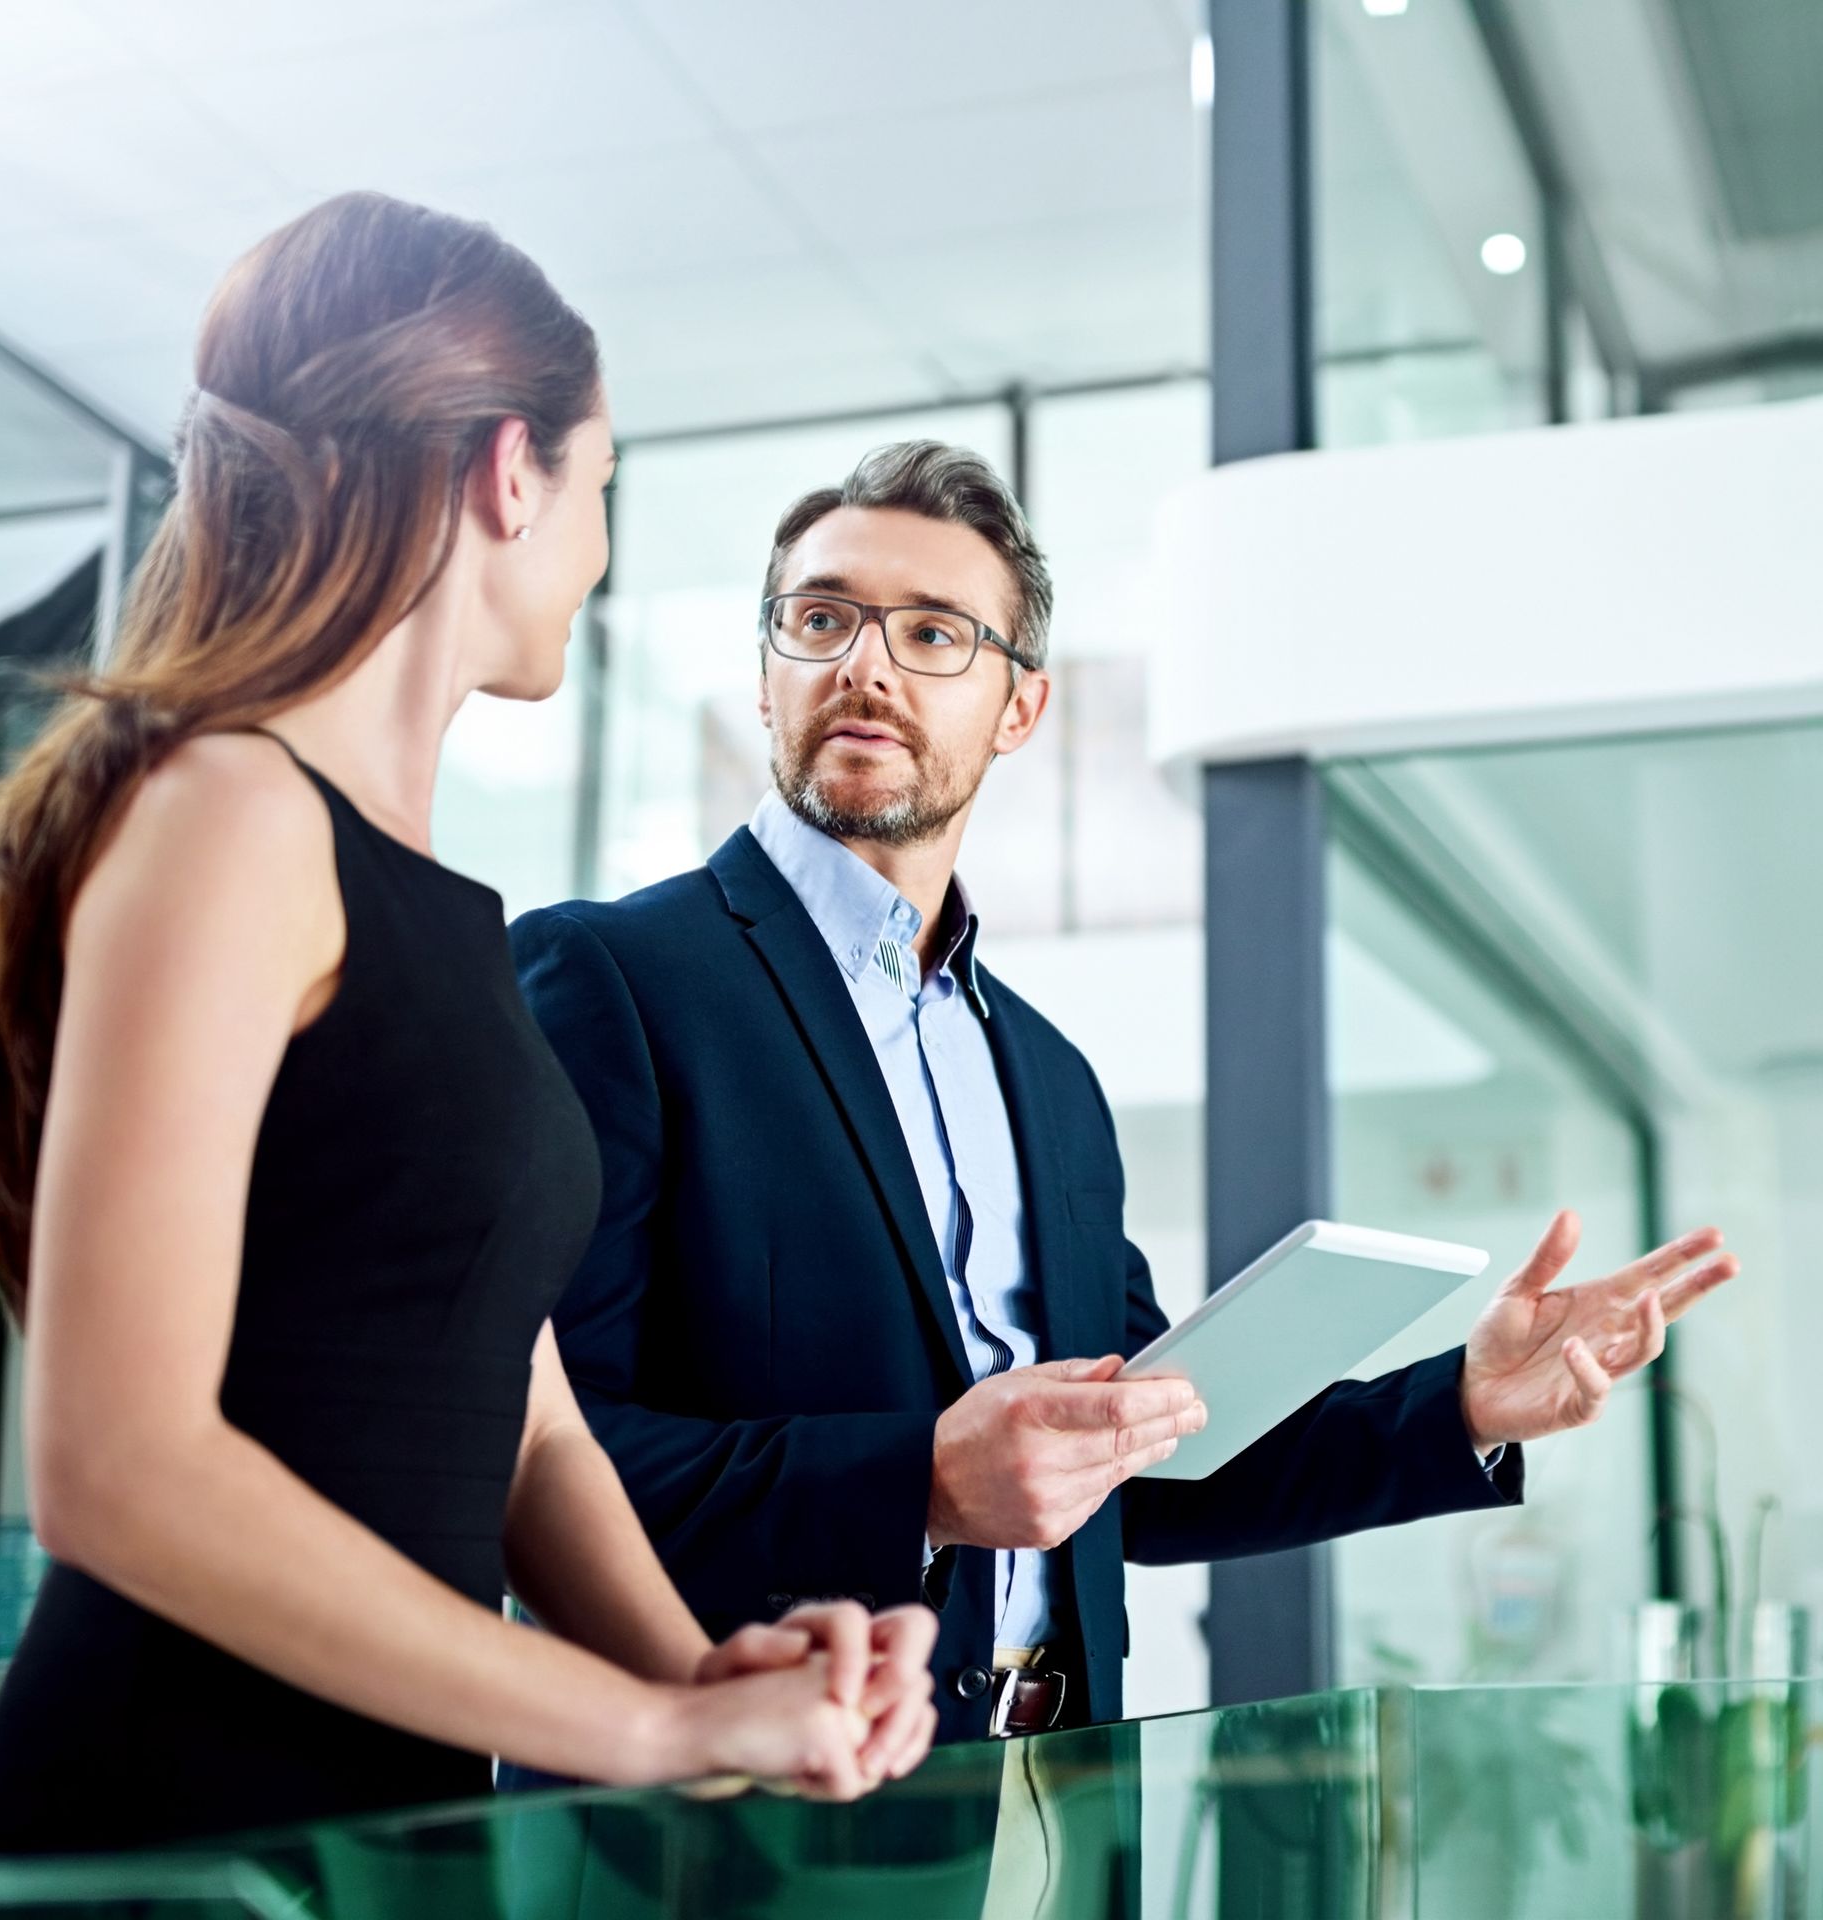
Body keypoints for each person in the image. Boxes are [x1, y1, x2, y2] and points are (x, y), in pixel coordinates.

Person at [0, 195, 936, 1860]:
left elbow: (517, 1409)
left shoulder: (440, 911)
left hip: (353, 1857)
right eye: (601, 488)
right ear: (508, 473)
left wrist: (715, 1680)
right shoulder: (227, 813)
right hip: (151, 1852)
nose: (598, 554)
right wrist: (653, 1727)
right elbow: (120, 1469)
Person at [510, 440, 1739, 1746]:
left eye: (934, 632)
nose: (864, 665)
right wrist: (920, 1483)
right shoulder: (611, 980)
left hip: (1063, 1786)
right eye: (822, 619)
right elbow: (530, 1452)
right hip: (747, 1818)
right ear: (767, 676)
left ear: (1020, 709)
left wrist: (1463, 1402)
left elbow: (1150, 1462)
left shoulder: (1049, 1079)